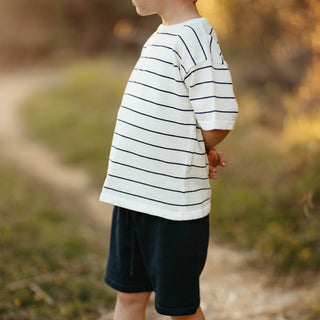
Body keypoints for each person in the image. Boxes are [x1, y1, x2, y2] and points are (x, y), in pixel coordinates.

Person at [99, 0, 238, 318]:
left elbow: (218, 120)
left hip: (173, 206)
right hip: (133, 197)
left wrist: (194, 148)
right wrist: (193, 145)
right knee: (129, 297)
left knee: (180, 308)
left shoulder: (194, 37)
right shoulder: (163, 34)